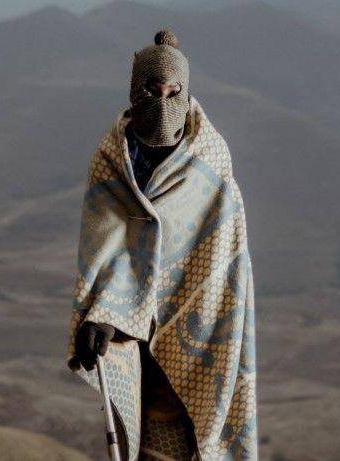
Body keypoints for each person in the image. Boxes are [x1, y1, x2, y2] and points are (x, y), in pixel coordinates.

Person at [67, 29, 257, 461]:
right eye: (154, 90)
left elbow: (218, 249)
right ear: (137, 90)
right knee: (141, 426)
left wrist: (183, 302)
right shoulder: (113, 156)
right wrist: (104, 315)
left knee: (194, 427)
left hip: (200, 321)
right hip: (132, 326)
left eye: (174, 91)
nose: (164, 101)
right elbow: (108, 243)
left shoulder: (209, 158)